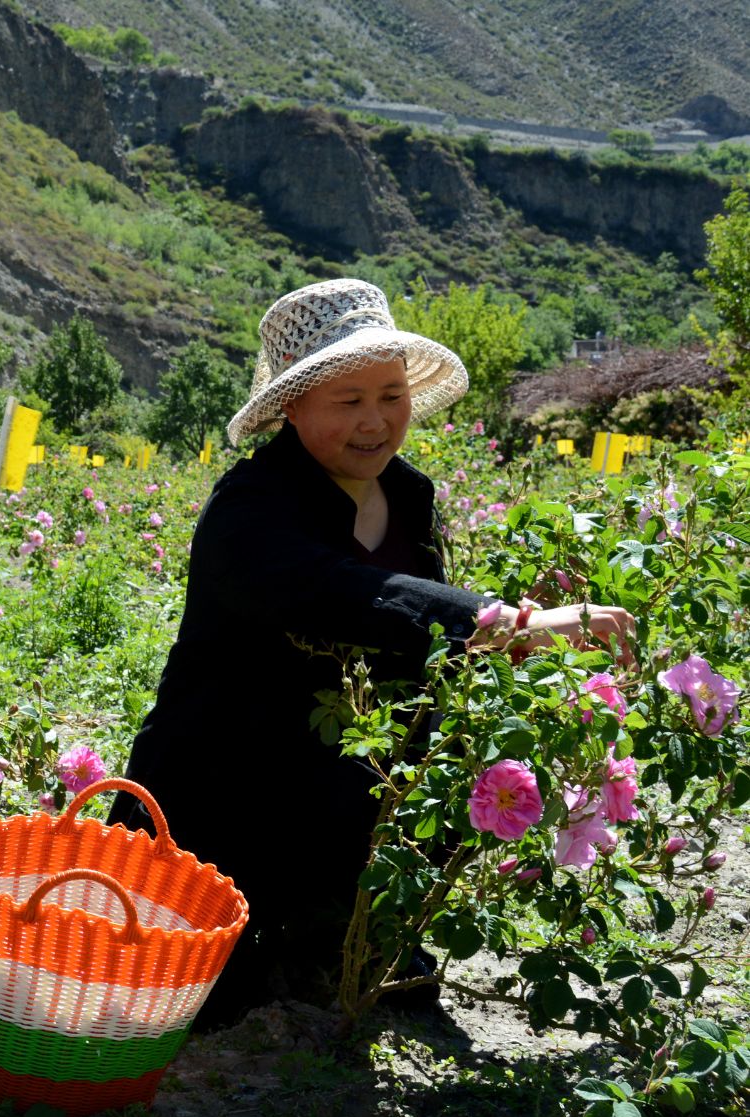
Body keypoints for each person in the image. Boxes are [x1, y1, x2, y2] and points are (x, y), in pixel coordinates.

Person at [108, 280, 635, 1026]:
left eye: (390, 396)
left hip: (348, 769)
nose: (375, 421)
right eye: (347, 401)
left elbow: (416, 648)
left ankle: (346, 923)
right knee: (210, 994)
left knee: (455, 778)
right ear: (292, 408)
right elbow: (345, 593)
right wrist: (509, 623)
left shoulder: (409, 494)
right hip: (229, 782)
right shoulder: (249, 510)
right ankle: (292, 928)